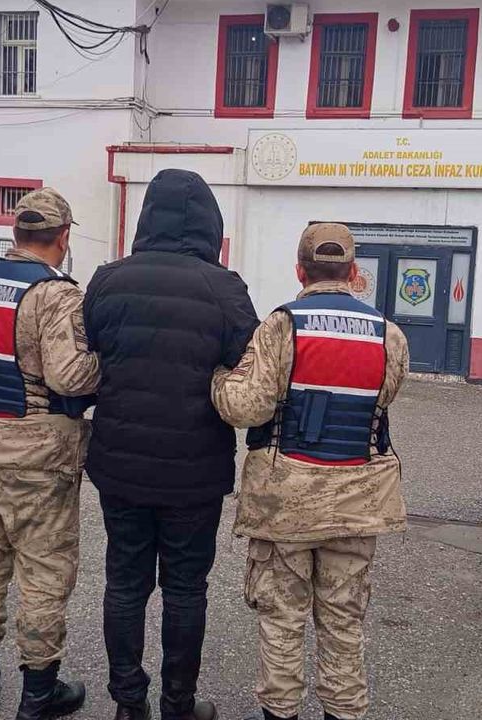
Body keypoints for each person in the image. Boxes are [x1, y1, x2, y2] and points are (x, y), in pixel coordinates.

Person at [210, 223, 410, 720]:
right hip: (357, 499)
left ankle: (281, 711)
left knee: (282, 617)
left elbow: (247, 408)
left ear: (300, 271)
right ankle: (343, 711)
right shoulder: (388, 333)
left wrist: (219, 380)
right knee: (344, 620)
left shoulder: (282, 326)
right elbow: (385, 397)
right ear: (354, 272)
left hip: (286, 500)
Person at [82, 169, 259, 720]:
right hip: (194, 471)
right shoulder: (225, 288)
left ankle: (128, 705)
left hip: (120, 464)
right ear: (209, 223)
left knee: (124, 582)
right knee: (185, 588)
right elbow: (248, 364)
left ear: (146, 218)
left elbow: (92, 349)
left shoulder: (107, 280)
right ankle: (178, 705)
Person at [0, 187, 99, 718]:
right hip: (37, 448)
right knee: (44, 572)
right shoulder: (55, 293)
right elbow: (69, 376)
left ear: (16, 232)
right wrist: (107, 368)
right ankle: (39, 693)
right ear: (63, 237)